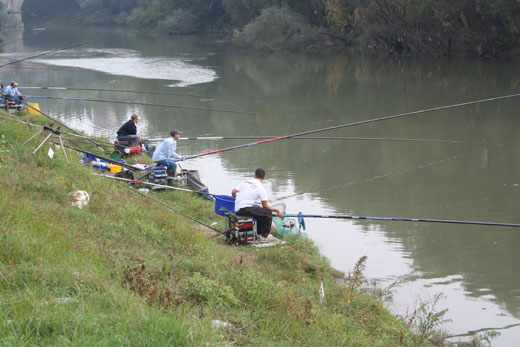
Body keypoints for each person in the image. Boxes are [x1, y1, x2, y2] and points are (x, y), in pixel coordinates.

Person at [231, 168, 284, 240]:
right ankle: (263, 236)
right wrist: (277, 211)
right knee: (268, 213)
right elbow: (265, 206)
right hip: (245, 209)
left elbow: (233, 191)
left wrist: (235, 197)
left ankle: (258, 233)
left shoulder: (246, 182)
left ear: (254, 175)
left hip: (237, 208)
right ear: (264, 178)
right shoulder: (261, 188)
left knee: (259, 210)